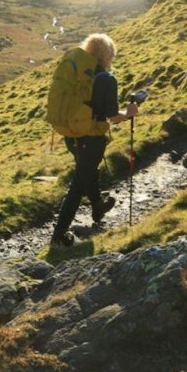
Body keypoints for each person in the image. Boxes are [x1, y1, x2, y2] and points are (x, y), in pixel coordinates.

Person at [50, 33, 138, 249]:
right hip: (91, 136)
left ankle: (98, 206)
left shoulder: (80, 73)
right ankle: (58, 236)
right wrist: (130, 112)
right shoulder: (106, 79)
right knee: (79, 184)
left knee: (86, 171)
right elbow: (112, 116)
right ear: (108, 55)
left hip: (71, 133)